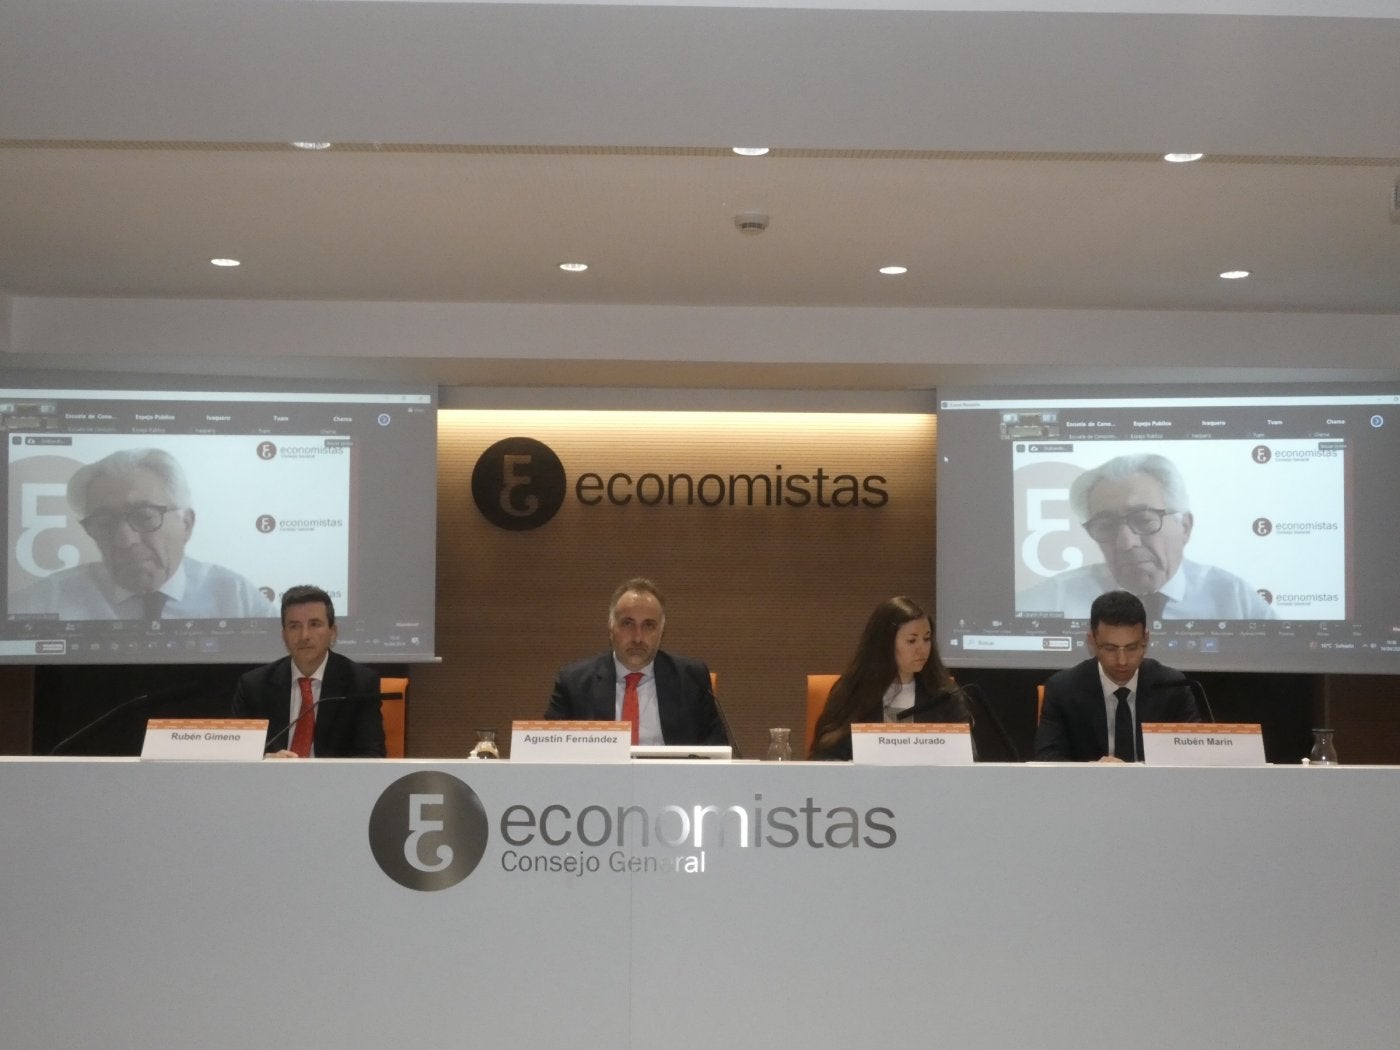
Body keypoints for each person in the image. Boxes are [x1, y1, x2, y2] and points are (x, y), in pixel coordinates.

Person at [9, 447, 276, 620]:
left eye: (145, 517)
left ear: (186, 524)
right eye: (104, 523)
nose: (124, 540)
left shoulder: (235, 596)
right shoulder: (43, 602)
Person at [1017, 452, 1276, 622]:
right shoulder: (1053, 600)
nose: (1126, 543)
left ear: (1184, 526)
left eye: (1143, 520)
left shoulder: (1233, 598)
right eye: (1106, 526)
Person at [545, 577, 728, 747]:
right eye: (627, 624)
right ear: (611, 627)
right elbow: (549, 751)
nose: (638, 638)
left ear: (661, 631)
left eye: (648, 625)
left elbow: (718, 754)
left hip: (672, 780)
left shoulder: (692, 680)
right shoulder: (574, 683)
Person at [1034, 589, 1201, 762]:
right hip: (1090, 788)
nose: (1122, 661)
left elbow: (1191, 758)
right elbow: (1048, 760)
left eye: (1131, 648)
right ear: (1092, 641)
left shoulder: (1173, 687)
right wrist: (1093, 771)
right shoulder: (1063, 689)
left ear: (1146, 639)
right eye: (1110, 649)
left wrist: (1137, 771)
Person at [809, 595, 973, 761]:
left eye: (926, 638)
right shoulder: (853, 692)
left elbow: (969, 757)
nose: (922, 649)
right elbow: (822, 756)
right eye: (911, 641)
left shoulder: (944, 696)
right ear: (885, 644)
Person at [232, 584, 385, 758]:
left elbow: (372, 755)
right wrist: (267, 761)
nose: (304, 635)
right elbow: (239, 754)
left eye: (314, 624)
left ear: (332, 632)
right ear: (284, 635)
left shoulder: (360, 683)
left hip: (333, 783)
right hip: (272, 782)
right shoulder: (254, 685)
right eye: (294, 626)